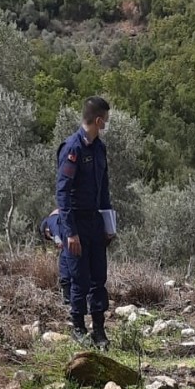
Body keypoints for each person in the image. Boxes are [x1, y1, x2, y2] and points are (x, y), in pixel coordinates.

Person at [56, 96, 114, 350]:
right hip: (76, 223)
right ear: (98, 120)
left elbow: (104, 190)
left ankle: (99, 329)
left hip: (95, 222)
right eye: (105, 121)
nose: (106, 125)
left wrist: (108, 224)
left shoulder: (99, 149)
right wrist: (70, 232)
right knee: (79, 278)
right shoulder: (72, 149)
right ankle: (78, 327)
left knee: (98, 277)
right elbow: (63, 193)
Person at [38, 209, 71, 305]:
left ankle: (68, 300)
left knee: (65, 271)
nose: (50, 238)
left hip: (68, 245)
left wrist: (58, 240)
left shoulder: (50, 221)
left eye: (48, 237)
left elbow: (55, 229)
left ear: (46, 230)